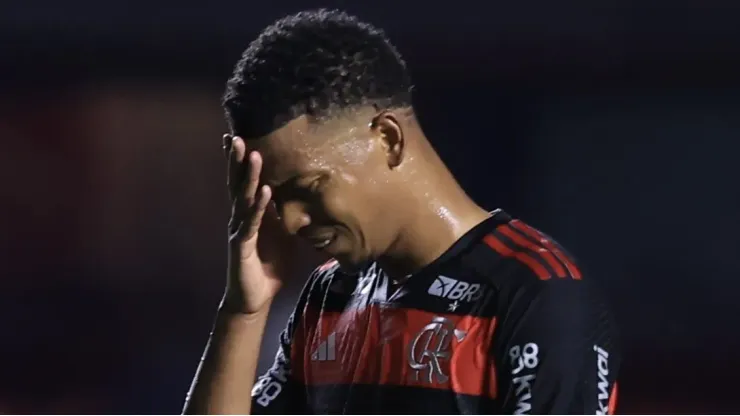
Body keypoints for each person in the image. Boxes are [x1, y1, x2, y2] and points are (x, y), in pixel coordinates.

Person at [183, 9, 620, 415]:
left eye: (309, 188)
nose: (293, 220)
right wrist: (243, 312)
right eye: (275, 199)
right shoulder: (329, 296)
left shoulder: (536, 293)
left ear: (388, 138)